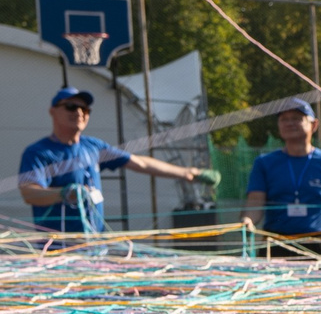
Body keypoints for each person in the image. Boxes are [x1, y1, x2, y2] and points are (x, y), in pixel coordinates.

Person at [17, 86, 215, 239]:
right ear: (53, 111)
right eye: (71, 106)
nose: (79, 112)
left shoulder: (93, 147)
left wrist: (189, 173)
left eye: (85, 109)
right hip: (59, 250)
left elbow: (139, 163)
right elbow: (29, 192)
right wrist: (64, 193)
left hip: (95, 246)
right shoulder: (39, 152)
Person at [241, 100, 321, 254]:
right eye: (284, 119)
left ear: (314, 125)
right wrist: (248, 220)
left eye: (297, 118)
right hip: (275, 243)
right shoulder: (264, 163)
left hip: (318, 244)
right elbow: (255, 202)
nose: (289, 123)